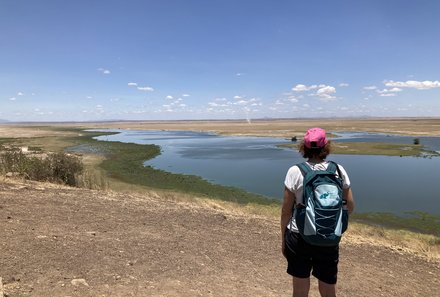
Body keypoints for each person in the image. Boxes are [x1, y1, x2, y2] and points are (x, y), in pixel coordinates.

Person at [281, 127, 354, 297]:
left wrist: (284, 239)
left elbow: (286, 211)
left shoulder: (295, 171)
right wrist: (329, 220)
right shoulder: (338, 170)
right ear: (326, 146)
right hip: (329, 236)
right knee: (328, 288)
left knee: (300, 290)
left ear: (303, 147)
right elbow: (350, 205)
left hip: (298, 236)